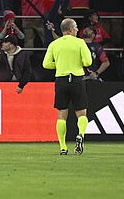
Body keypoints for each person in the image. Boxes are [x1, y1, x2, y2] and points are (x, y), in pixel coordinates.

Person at [42, 18, 92, 156]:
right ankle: (81, 134)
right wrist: (78, 63)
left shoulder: (54, 44)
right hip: (76, 79)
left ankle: (63, 147)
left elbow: (46, 64)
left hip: (61, 80)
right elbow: (88, 62)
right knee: (81, 113)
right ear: (70, 29)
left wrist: (58, 65)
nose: (77, 30)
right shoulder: (80, 43)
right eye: (75, 27)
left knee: (62, 114)